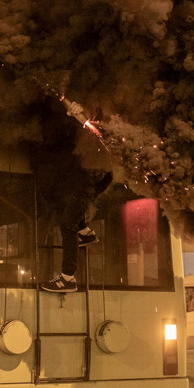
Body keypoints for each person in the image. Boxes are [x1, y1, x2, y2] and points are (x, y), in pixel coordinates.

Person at [40, 100, 112, 293]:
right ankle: (86, 233)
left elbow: (96, 133)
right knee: (61, 197)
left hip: (94, 175)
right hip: (93, 173)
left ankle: (67, 278)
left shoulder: (103, 125)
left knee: (67, 223)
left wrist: (82, 115)